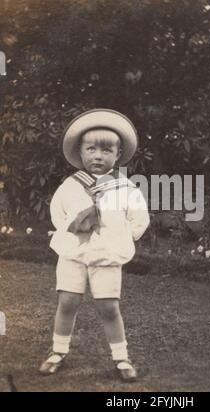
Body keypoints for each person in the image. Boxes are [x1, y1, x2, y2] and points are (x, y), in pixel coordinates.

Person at [39, 109, 150, 381]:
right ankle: (58, 351)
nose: (97, 156)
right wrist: (74, 230)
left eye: (105, 150)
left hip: (106, 255)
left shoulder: (125, 188)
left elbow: (139, 220)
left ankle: (121, 357)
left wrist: (121, 238)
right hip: (73, 252)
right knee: (67, 301)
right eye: (91, 149)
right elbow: (58, 212)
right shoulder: (71, 185)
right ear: (81, 152)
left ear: (117, 153)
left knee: (108, 307)